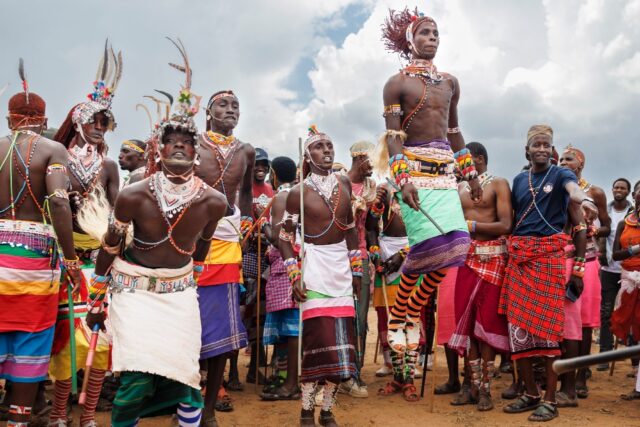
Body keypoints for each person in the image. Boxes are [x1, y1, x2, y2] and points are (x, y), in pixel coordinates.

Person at [88, 52, 228, 426]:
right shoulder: (134, 194)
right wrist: (98, 294)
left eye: (186, 140)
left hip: (180, 294)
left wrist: (192, 278)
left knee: (185, 380)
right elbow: (111, 245)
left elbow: (203, 246)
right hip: (133, 293)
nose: (179, 144)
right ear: (159, 149)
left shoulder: (214, 202)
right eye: (171, 140)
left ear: (196, 153)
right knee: (133, 382)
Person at [377, 8, 476, 372]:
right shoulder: (396, 83)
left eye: (436, 32)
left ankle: (407, 310)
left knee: (457, 245)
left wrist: (471, 175)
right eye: (425, 33)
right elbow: (393, 136)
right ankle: (400, 316)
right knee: (428, 247)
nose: (432, 37)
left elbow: (453, 131)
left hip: (446, 172)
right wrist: (402, 181)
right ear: (410, 40)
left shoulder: (450, 82)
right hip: (414, 170)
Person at [0, 59, 81, 427]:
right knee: (32, 338)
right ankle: (19, 420)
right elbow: (60, 203)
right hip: (35, 264)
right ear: (44, 121)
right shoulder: (52, 151)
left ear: (8, 120)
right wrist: (72, 260)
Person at [500, 124, 597, 422]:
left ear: (552, 151)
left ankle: (551, 400)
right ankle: (530, 393)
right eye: (536, 145)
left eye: (546, 145)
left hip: (549, 259)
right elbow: (512, 220)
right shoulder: (518, 180)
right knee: (519, 333)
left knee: (549, 334)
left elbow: (574, 191)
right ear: (527, 150)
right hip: (519, 261)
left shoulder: (561, 175)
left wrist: (583, 198)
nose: (542, 149)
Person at [49, 44, 122, 427]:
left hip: (99, 261)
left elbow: (118, 215)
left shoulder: (109, 165)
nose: (99, 126)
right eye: (94, 119)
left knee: (102, 340)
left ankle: (89, 416)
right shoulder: (56, 153)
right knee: (66, 344)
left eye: (105, 122)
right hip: (64, 260)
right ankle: (60, 412)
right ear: (78, 121)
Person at [279, 126, 360, 427]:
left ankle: (327, 410)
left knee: (342, 343)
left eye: (329, 145)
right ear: (307, 155)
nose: (327, 150)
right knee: (317, 342)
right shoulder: (297, 194)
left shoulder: (344, 184)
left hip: (341, 269)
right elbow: (284, 237)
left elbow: (351, 229)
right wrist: (294, 274)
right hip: (313, 268)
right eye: (319, 146)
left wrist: (357, 269)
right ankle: (305, 410)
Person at [195, 89, 255, 426]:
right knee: (188, 323)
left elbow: (244, 193)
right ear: (208, 112)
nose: (231, 109)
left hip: (227, 244)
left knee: (221, 324)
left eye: (236, 105)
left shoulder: (245, 150)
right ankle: (186, 401)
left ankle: (209, 410)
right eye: (223, 104)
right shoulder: (193, 144)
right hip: (191, 245)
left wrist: (245, 225)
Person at [447, 142, 512, 411]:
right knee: (466, 323)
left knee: (487, 326)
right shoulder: (457, 188)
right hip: (465, 259)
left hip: (493, 258)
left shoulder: (498, 183)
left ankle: (485, 390)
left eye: (464, 161)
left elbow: (506, 225)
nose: (460, 166)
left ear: (479, 159)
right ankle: (472, 386)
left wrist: (472, 225)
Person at [367, 182, 424, 402]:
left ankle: (409, 377)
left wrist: (403, 253)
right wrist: (375, 254)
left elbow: (425, 231)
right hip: (386, 257)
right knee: (389, 317)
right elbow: (371, 227)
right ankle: (398, 375)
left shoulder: (422, 188)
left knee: (411, 316)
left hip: (413, 254)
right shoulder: (386, 190)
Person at [260, 156, 301, 401]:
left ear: (273, 175)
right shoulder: (299, 193)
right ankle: (285, 377)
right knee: (290, 327)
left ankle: (291, 384)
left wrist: (263, 227)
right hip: (298, 262)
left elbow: (277, 237)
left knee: (291, 328)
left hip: (287, 265)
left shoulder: (282, 197)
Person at [341, 140, 376, 398]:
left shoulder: (372, 188)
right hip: (334, 256)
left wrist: (373, 253)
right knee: (337, 316)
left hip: (360, 257)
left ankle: (355, 373)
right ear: (359, 158)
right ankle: (336, 372)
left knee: (360, 319)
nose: (374, 166)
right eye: (371, 160)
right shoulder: (338, 183)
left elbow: (373, 226)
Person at [241, 147, 273, 386]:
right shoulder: (243, 189)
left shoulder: (270, 190)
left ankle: (256, 364)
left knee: (262, 309)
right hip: (249, 252)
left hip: (267, 253)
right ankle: (247, 360)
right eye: (256, 166)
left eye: (264, 165)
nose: (260, 169)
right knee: (249, 306)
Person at [598, 178, 633, 370]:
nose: (618, 190)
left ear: (628, 192)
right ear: (612, 190)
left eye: (622, 188)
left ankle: (632, 356)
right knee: (606, 312)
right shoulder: (605, 211)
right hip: (608, 269)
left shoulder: (633, 213)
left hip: (630, 270)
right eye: (616, 187)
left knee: (630, 313)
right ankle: (604, 353)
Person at [612, 183, 640, 400]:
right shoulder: (624, 223)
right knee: (631, 327)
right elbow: (616, 256)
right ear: (635, 197)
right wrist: (635, 250)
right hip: (629, 280)